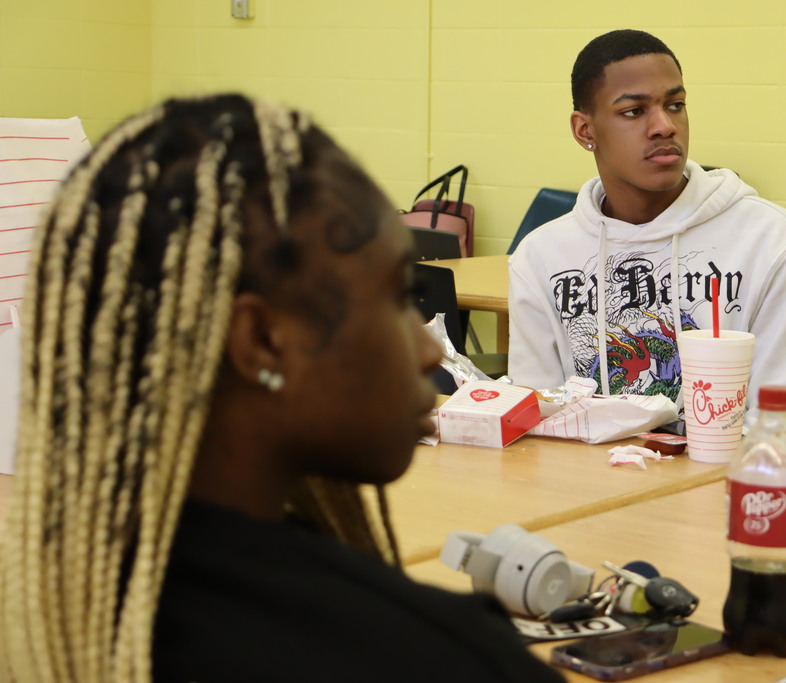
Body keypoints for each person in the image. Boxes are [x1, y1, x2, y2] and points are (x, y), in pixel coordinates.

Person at [0, 94, 565, 683]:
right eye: (399, 297)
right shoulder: (437, 659)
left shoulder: (48, 619)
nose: (431, 348)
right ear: (262, 340)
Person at [508, 29, 786, 416]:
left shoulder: (772, 240)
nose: (664, 126)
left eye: (675, 105)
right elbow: (535, 415)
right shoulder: (539, 257)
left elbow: (779, 421)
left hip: (725, 471)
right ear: (585, 130)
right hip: (585, 473)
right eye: (634, 111)